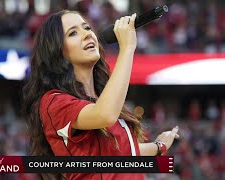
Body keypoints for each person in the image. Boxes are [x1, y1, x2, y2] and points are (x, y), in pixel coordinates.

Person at [22, 9, 179, 180]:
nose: (87, 35)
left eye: (87, 28)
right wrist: (126, 48)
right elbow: (105, 115)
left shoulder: (101, 99)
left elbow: (120, 153)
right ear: (57, 52)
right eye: (73, 33)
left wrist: (159, 145)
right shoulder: (53, 102)